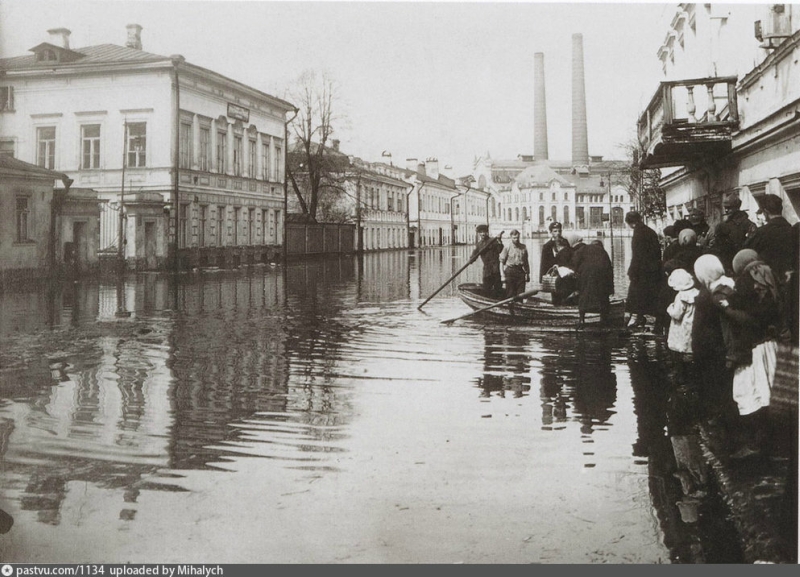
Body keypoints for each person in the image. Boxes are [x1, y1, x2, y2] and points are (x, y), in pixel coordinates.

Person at [625, 211, 663, 328]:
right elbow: (656, 252)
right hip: (652, 268)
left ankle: (637, 317)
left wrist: (632, 270)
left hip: (641, 269)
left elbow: (637, 254)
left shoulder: (638, 233)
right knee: (649, 293)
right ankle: (651, 318)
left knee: (637, 294)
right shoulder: (649, 231)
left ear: (632, 223)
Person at [744, 194, 795, 282]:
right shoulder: (793, 230)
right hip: (791, 282)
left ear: (766, 212)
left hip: (769, 282)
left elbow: (747, 254)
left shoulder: (761, 233)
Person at [707, 193, 757, 273]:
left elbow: (752, 245)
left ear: (737, 207)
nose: (726, 210)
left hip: (743, 262)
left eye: (729, 208)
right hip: (727, 264)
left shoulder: (748, 225)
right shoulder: (722, 226)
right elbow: (717, 247)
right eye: (725, 208)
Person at [569, 235, 614, 325]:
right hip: (602, 274)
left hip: (586, 273)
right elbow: (610, 272)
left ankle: (581, 320)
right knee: (603, 296)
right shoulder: (603, 252)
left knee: (584, 295)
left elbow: (573, 263)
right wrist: (610, 290)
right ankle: (603, 319)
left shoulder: (584, 248)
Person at [666, 268, 700, 383]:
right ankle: (691, 375)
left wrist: (670, 308)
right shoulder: (697, 293)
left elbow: (677, 314)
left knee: (680, 348)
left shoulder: (680, 296)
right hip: (692, 325)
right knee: (689, 346)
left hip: (681, 327)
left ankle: (681, 377)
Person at [470, 225, 504, 298]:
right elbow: (475, 254)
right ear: (479, 233)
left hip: (495, 269)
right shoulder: (479, 244)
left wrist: (499, 240)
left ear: (487, 232)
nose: (483, 234)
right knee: (486, 289)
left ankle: (499, 302)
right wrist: (471, 260)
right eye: (481, 232)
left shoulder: (493, 241)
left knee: (498, 289)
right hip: (486, 270)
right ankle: (488, 301)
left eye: (484, 232)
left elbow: (499, 249)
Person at [500, 229, 530, 298]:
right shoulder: (507, 247)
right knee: (510, 294)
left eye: (517, 237)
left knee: (521, 294)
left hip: (520, 272)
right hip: (510, 272)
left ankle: (519, 307)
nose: (516, 239)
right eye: (514, 238)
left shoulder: (523, 247)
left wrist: (527, 274)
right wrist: (502, 275)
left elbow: (526, 262)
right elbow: (501, 262)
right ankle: (510, 308)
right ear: (511, 237)